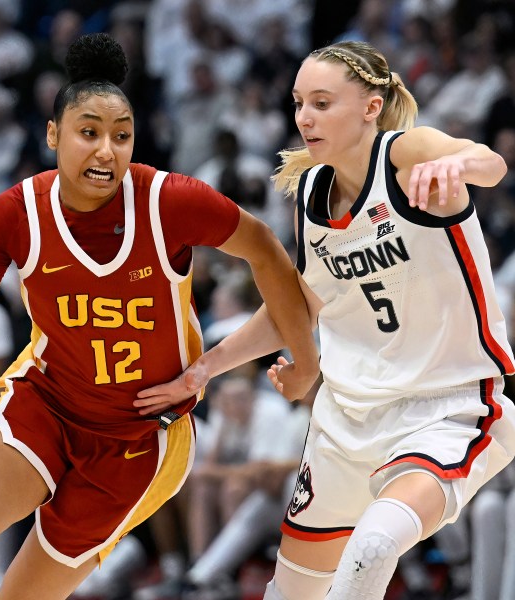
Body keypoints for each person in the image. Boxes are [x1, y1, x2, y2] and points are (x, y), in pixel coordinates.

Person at [0, 33, 318, 600]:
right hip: (47, 401)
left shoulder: (170, 202)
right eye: (88, 132)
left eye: (121, 135)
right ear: (54, 135)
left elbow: (266, 249)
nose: (106, 150)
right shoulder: (14, 213)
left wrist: (305, 360)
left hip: (139, 437)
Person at [134, 40, 515, 600]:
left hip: (444, 406)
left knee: (373, 547)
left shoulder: (409, 152)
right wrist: (203, 370)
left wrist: (458, 162)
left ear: (370, 106)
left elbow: (492, 161)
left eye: (320, 102)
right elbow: (301, 304)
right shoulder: (311, 190)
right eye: (298, 104)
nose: (304, 118)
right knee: (289, 592)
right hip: (344, 419)